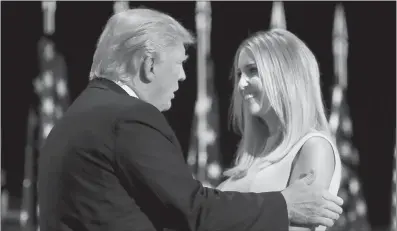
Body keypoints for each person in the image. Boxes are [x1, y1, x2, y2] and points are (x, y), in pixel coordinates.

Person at [38, 8, 343, 231]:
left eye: (252, 71)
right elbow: (192, 210)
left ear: (286, 75)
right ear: (148, 65)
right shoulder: (128, 117)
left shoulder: (76, 118)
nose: (184, 76)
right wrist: (284, 205)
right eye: (179, 64)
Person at [217, 29, 342, 231]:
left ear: (284, 75)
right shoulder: (252, 155)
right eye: (239, 73)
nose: (241, 84)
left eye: (252, 70)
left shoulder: (313, 147)